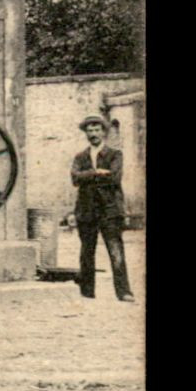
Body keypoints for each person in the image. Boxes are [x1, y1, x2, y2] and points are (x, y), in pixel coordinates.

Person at [70, 114, 134, 302]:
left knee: (116, 251)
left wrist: (86, 176)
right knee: (86, 252)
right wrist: (97, 172)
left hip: (110, 210)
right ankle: (87, 292)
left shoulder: (115, 155)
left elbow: (114, 178)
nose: (93, 134)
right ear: (85, 134)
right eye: (89, 131)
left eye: (97, 130)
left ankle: (124, 292)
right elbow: (75, 178)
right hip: (86, 210)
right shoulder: (80, 156)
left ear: (103, 132)